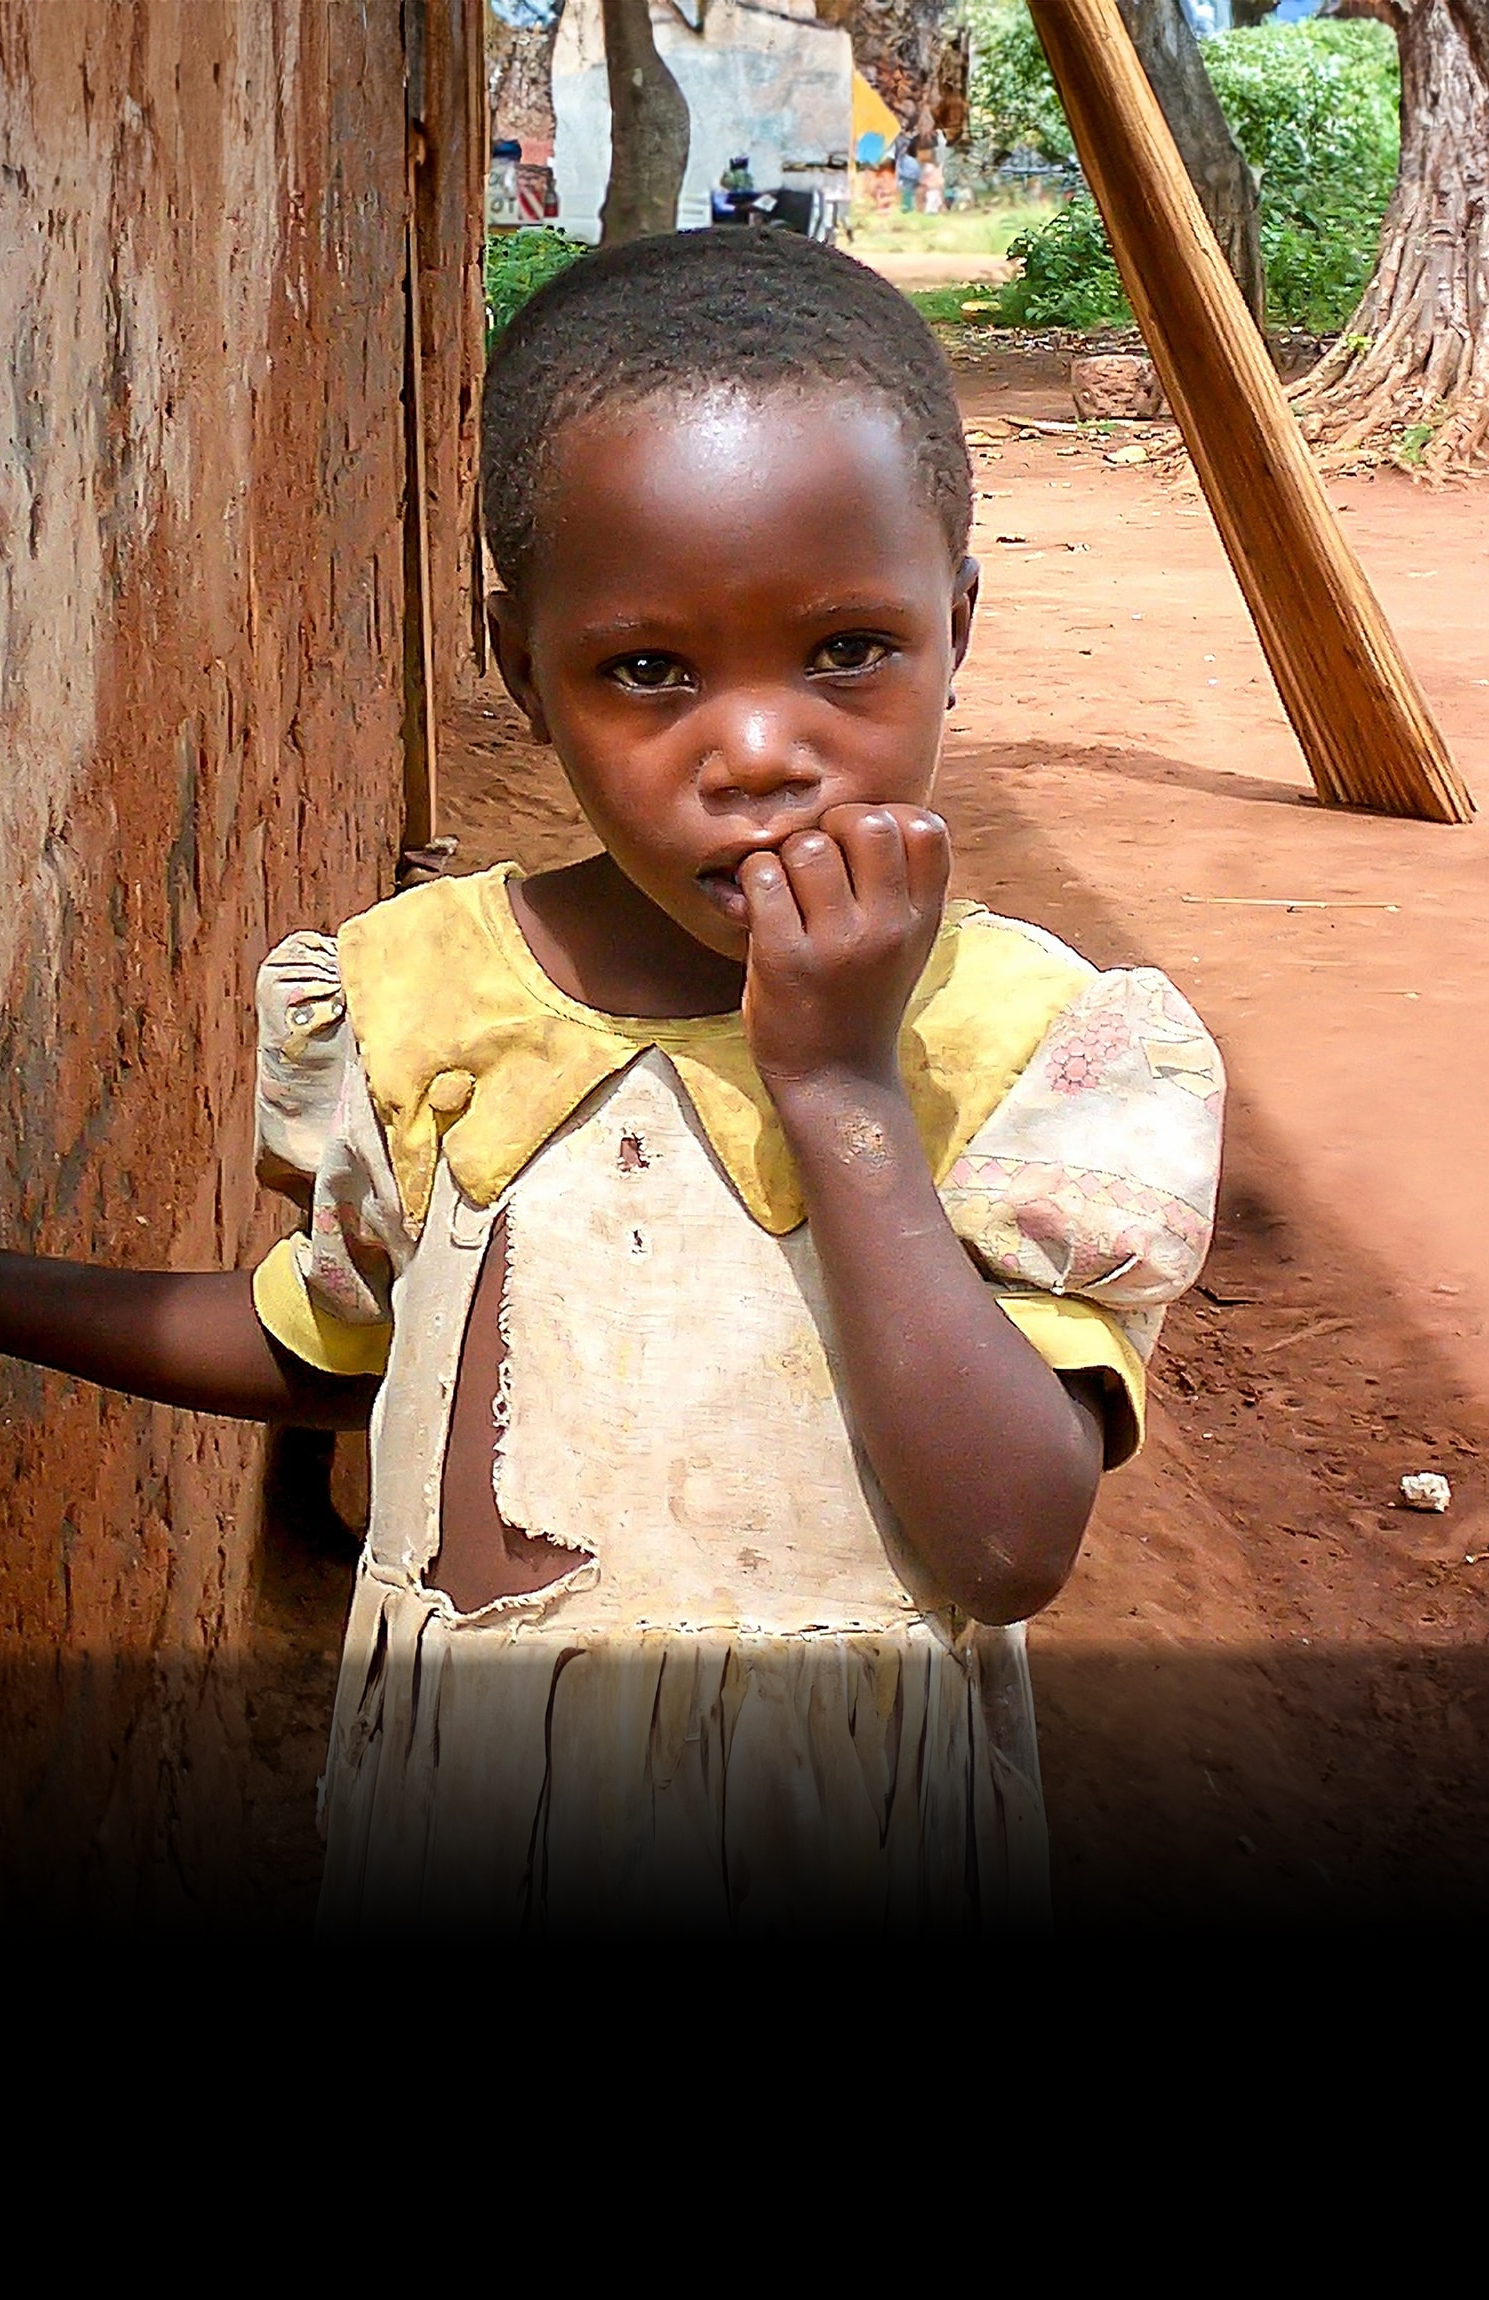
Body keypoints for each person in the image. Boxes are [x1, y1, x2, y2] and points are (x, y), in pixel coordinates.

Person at [0, 231, 1223, 1939]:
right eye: (648, 669)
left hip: (844, 1819)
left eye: (850, 649)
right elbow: (340, 1351)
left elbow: (1009, 1541)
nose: (757, 751)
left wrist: (841, 1089)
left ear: (957, 624)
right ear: (522, 669)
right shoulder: (417, 996)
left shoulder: (1048, 1049)